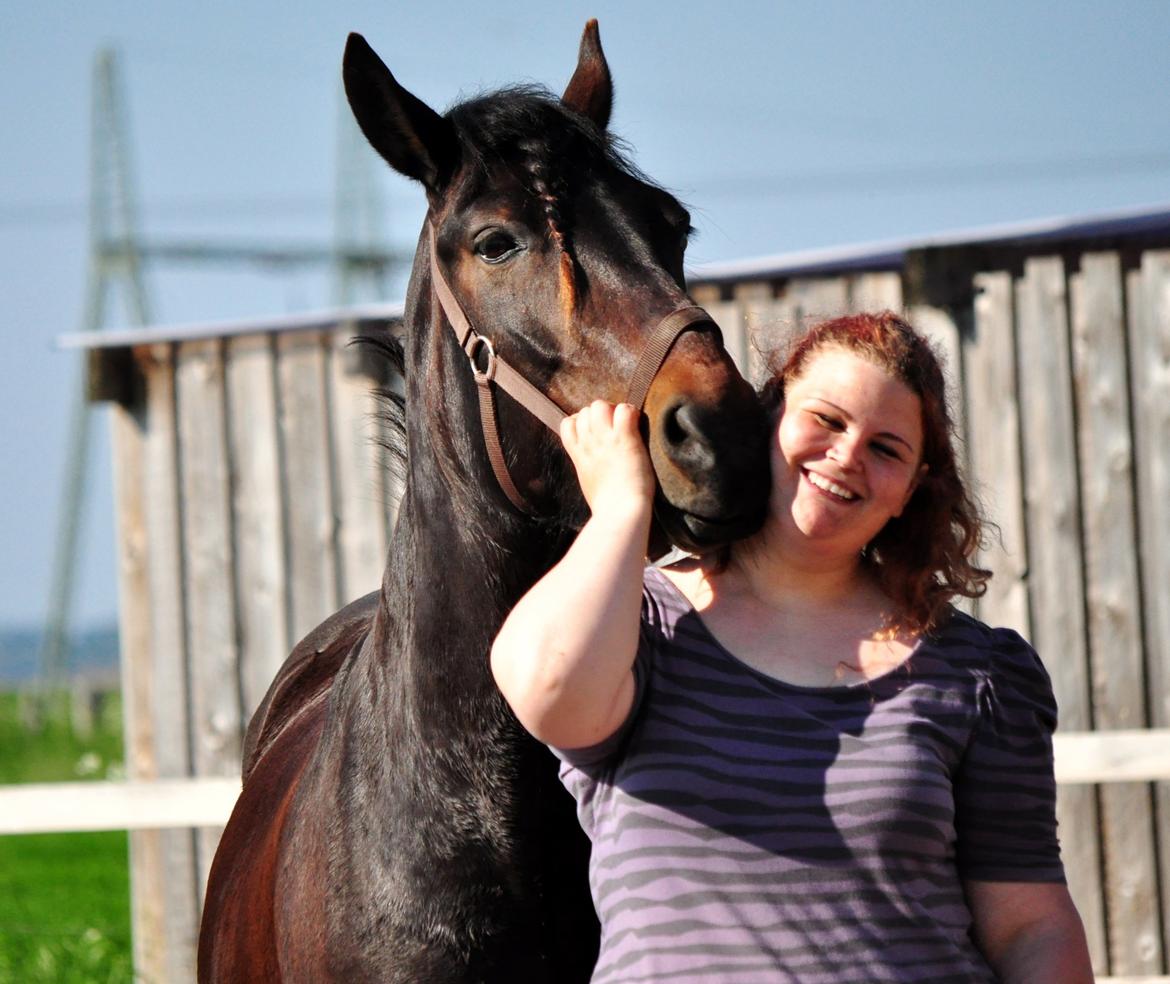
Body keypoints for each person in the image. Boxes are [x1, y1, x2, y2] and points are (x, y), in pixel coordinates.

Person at [491, 311, 1094, 983]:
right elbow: (546, 693)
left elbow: (1031, 927)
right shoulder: (634, 625)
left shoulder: (977, 671)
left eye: (886, 448)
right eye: (828, 421)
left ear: (911, 492)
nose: (847, 457)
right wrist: (623, 506)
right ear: (767, 417)